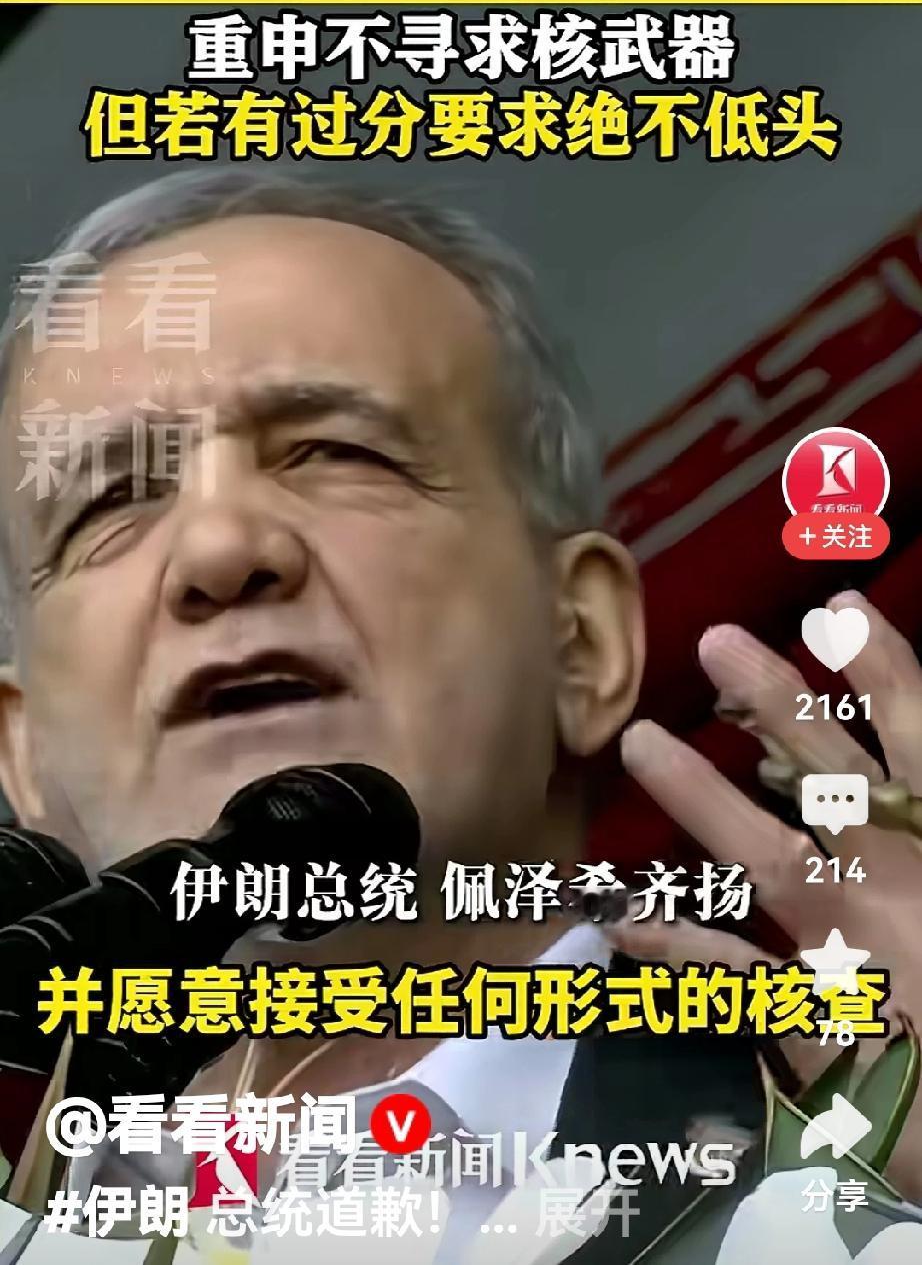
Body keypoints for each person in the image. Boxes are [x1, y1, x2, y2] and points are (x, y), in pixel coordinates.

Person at [0, 170, 919, 1262]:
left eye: (336, 451)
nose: (220, 548)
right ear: (22, 751)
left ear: (579, 642)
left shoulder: (827, 1191)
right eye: (111, 500)